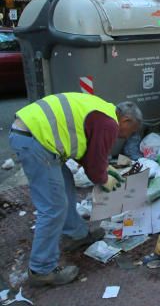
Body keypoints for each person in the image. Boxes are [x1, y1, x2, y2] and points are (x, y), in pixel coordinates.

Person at [9, 93, 143, 287]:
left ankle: (77, 233)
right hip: (36, 141)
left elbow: (83, 149)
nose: (125, 137)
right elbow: (94, 168)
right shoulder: (109, 124)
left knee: (65, 186)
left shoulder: (102, 109)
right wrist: (103, 178)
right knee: (53, 207)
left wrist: (104, 167)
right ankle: (41, 269)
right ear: (126, 119)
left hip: (31, 134)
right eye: (130, 131)